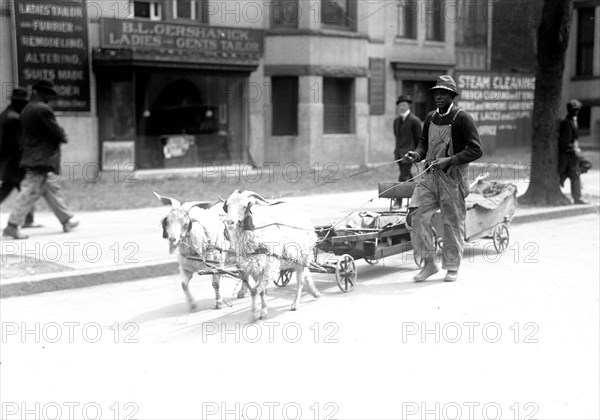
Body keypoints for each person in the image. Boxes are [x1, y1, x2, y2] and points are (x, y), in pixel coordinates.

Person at [404, 75, 483, 282]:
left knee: (451, 222)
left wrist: (450, 160)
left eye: (443, 93)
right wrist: (417, 154)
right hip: (429, 177)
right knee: (416, 215)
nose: (439, 96)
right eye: (436, 93)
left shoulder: (462, 118)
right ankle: (429, 263)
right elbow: (423, 143)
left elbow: (476, 150)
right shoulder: (430, 117)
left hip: (452, 179)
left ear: (452, 96)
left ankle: (452, 266)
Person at [2, 80, 79, 240]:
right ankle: (12, 225)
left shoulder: (27, 109)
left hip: (32, 155)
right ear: (39, 93)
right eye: (47, 94)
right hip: (41, 158)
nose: (48, 97)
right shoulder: (42, 110)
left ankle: (66, 220)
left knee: (50, 189)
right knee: (30, 190)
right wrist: (63, 137)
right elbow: (55, 131)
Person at [0, 88, 37, 227]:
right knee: (27, 190)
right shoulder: (14, 119)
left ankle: (29, 218)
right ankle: (28, 219)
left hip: (8, 162)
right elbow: (15, 144)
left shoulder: (5, 114)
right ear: (19, 102)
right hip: (15, 162)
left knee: (12, 188)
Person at [393, 95, 422, 208]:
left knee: (402, 177)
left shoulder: (414, 121)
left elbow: (419, 139)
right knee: (409, 177)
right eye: (400, 105)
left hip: (409, 155)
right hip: (399, 154)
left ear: (409, 105)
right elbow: (397, 137)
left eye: (404, 104)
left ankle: (398, 201)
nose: (401, 107)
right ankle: (416, 200)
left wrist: (416, 154)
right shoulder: (396, 121)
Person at [558, 99, 587, 205]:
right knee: (564, 174)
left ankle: (577, 197)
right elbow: (565, 142)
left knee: (575, 174)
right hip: (567, 155)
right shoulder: (566, 123)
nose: (576, 112)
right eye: (574, 110)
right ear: (570, 110)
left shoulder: (573, 121)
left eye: (577, 110)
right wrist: (574, 150)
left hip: (571, 155)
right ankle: (576, 197)